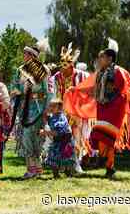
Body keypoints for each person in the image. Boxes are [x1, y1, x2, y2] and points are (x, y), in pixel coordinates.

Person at [64, 38, 130, 179]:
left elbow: (128, 88)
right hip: (102, 108)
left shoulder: (118, 71)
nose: (99, 59)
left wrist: (120, 99)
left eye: (101, 57)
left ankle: (103, 160)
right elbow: (91, 88)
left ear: (109, 58)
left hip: (114, 109)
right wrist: (75, 90)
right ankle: (109, 166)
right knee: (104, 137)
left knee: (104, 135)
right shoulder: (100, 73)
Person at [10, 45, 52, 179]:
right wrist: (16, 92)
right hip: (25, 108)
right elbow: (14, 86)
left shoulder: (43, 69)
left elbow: (49, 91)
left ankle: (37, 168)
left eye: (27, 54)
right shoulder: (20, 70)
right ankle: (32, 168)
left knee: (37, 138)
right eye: (24, 54)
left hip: (39, 108)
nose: (24, 56)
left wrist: (46, 109)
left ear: (34, 56)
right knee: (26, 136)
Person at [51, 43, 90, 173]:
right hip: (61, 114)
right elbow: (52, 94)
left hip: (77, 112)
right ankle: (61, 162)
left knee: (77, 136)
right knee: (61, 138)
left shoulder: (82, 76)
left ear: (72, 64)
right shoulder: (56, 77)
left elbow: (89, 91)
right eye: (61, 64)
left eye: (66, 65)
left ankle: (76, 163)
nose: (63, 68)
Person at [40, 99, 75, 179]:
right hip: (58, 141)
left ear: (60, 108)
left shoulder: (60, 118)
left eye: (53, 106)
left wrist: (45, 132)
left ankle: (68, 173)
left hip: (65, 141)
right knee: (54, 157)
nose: (50, 108)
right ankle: (56, 174)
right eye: (50, 106)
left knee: (66, 158)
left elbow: (57, 132)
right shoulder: (54, 116)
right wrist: (45, 116)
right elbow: (48, 120)